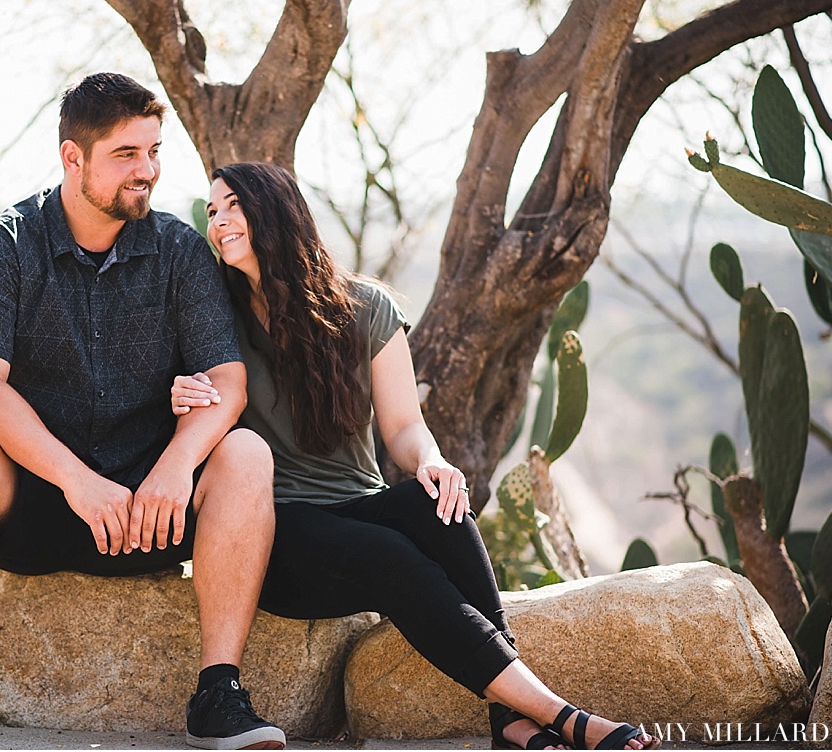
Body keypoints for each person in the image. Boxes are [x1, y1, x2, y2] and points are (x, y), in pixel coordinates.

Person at [0, 75, 286, 752]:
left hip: (152, 512)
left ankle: (218, 695)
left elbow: (225, 383)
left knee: (245, 452)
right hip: (41, 506)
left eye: (153, 150)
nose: (147, 170)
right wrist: (77, 482)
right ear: (72, 158)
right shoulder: (2, 246)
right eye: (126, 154)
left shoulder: (179, 250)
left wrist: (175, 469)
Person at [171, 162, 660, 752]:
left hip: (356, 506)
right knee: (387, 552)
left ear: (273, 211)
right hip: (278, 536)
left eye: (231, 206)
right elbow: (192, 393)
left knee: (440, 507)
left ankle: (507, 719)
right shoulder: (215, 313)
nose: (217, 221)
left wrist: (431, 461)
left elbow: (404, 427)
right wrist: (180, 390)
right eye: (213, 210)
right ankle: (561, 714)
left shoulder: (366, 308)